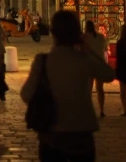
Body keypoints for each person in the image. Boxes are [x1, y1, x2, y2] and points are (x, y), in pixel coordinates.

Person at [20, 10, 114, 161]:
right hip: (82, 134)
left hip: (53, 134)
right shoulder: (84, 59)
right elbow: (109, 75)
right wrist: (90, 50)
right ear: (78, 34)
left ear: (53, 33)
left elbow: (26, 94)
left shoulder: (42, 61)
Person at [83, 19, 108, 117]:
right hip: (99, 64)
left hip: (89, 65)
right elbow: (105, 49)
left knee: (88, 89)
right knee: (100, 89)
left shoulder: (84, 37)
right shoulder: (101, 37)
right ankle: (102, 110)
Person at [116, 24, 126, 116]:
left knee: (122, 91)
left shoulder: (119, 43)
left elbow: (118, 57)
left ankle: (125, 109)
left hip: (122, 68)